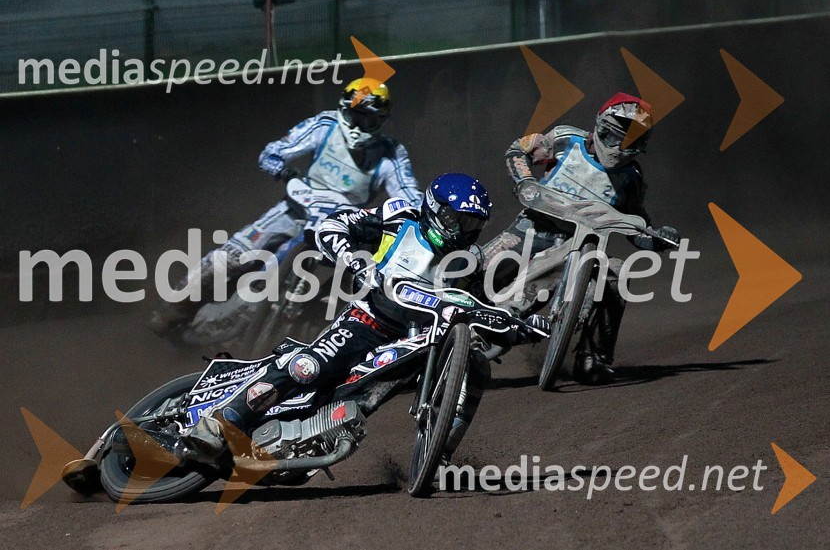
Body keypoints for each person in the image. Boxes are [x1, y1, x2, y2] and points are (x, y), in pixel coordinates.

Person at [184, 173, 550, 461]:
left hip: (418, 341)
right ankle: (221, 422)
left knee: (473, 369)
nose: (459, 231)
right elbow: (332, 226)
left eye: (470, 225)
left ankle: (439, 457)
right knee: (308, 368)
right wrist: (352, 257)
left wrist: (521, 325)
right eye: (455, 219)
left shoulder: (470, 261)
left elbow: (480, 306)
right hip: (369, 320)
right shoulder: (399, 217)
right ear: (435, 208)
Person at [149, 78, 423, 335]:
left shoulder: (390, 154)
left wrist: (420, 214)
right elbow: (273, 151)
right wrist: (285, 172)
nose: (360, 124)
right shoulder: (325, 125)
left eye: (370, 118)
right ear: (344, 110)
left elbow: (408, 193)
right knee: (230, 257)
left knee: (328, 289)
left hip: (339, 225)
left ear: (382, 120)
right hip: (296, 206)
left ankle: (268, 328)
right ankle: (174, 309)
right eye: (357, 115)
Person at [484, 93, 680, 385]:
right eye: (623, 137)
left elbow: (637, 228)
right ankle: (426, 330)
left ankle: (594, 357)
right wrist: (525, 181)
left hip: (583, 247)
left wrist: (660, 238)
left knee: (616, 277)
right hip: (532, 229)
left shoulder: (630, 179)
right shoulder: (565, 139)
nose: (627, 147)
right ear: (604, 127)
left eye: (635, 140)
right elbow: (518, 149)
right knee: (476, 270)